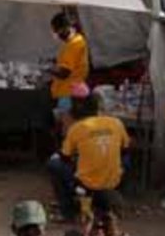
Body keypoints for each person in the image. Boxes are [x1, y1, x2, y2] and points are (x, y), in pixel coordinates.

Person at [47, 92, 130, 221]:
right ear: (97, 108)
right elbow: (125, 150)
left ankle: (67, 211)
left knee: (54, 164)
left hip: (86, 183)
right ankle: (112, 192)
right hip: (114, 179)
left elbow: (65, 157)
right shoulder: (116, 122)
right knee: (125, 159)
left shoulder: (77, 128)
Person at [47, 13, 89, 117]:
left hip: (68, 93)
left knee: (67, 126)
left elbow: (64, 73)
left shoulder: (74, 45)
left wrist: (47, 68)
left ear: (65, 29)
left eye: (56, 31)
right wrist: (55, 62)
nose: (55, 34)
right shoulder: (75, 41)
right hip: (70, 92)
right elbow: (70, 63)